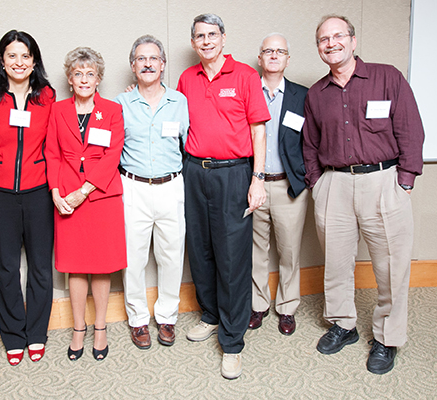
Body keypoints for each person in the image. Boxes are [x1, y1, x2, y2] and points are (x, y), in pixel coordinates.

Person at [303, 15, 424, 374]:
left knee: (391, 267)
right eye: (324, 38)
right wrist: (316, 182)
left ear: (353, 41)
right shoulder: (316, 94)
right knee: (337, 264)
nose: (331, 43)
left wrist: (405, 179)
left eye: (338, 36)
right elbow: (309, 144)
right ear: (319, 47)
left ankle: (387, 339)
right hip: (334, 184)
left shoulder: (387, 77)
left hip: (383, 181)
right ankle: (343, 324)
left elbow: (410, 128)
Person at [177, 14, 270, 379]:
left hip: (234, 174)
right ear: (194, 42)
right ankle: (211, 315)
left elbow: (258, 131)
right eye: (199, 36)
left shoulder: (245, 76)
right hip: (194, 172)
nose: (206, 41)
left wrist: (257, 179)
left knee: (232, 259)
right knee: (200, 250)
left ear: (223, 38)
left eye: (211, 34)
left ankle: (232, 342)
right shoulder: (187, 78)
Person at [0, 30, 55, 366]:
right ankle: (13, 336)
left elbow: (55, 146)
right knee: (6, 268)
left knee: (40, 269)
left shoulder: (46, 96)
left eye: (25, 56)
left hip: (39, 193)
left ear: (34, 61)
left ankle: (36, 333)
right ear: (2, 61)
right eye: (12, 56)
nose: (19, 62)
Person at [45, 47, 127, 362]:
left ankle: (101, 326)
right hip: (65, 197)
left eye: (90, 73)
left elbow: (112, 156)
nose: (84, 79)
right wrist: (55, 191)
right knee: (75, 266)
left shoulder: (113, 110)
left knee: (102, 264)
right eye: (78, 73)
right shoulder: (57, 110)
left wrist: (86, 190)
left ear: (99, 79)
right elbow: (51, 153)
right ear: (69, 78)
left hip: (101, 197)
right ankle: (78, 327)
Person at [114, 35, 189, 349]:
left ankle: (168, 316)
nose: (147, 64)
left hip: (171, 185)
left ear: (162, 64)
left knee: (172, 256)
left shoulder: (179, 102)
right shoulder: (120, 103)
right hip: (133, 187)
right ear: (133, 66)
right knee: (133, 259)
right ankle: (138, 320)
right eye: (141, 59)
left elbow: (187, 143)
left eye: (153, 58)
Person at [250, 33, 309, 335]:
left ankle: (287, 308)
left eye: (280, 51)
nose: (274, 55)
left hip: (289, 187)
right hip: (255, 185)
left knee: (289, 251)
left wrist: (306, 178)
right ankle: (258, 305)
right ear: (259, 58)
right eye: (268, 51)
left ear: (288, 58)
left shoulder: (303, 95)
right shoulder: (247, 91)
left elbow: (313, 142)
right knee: (255, 250)